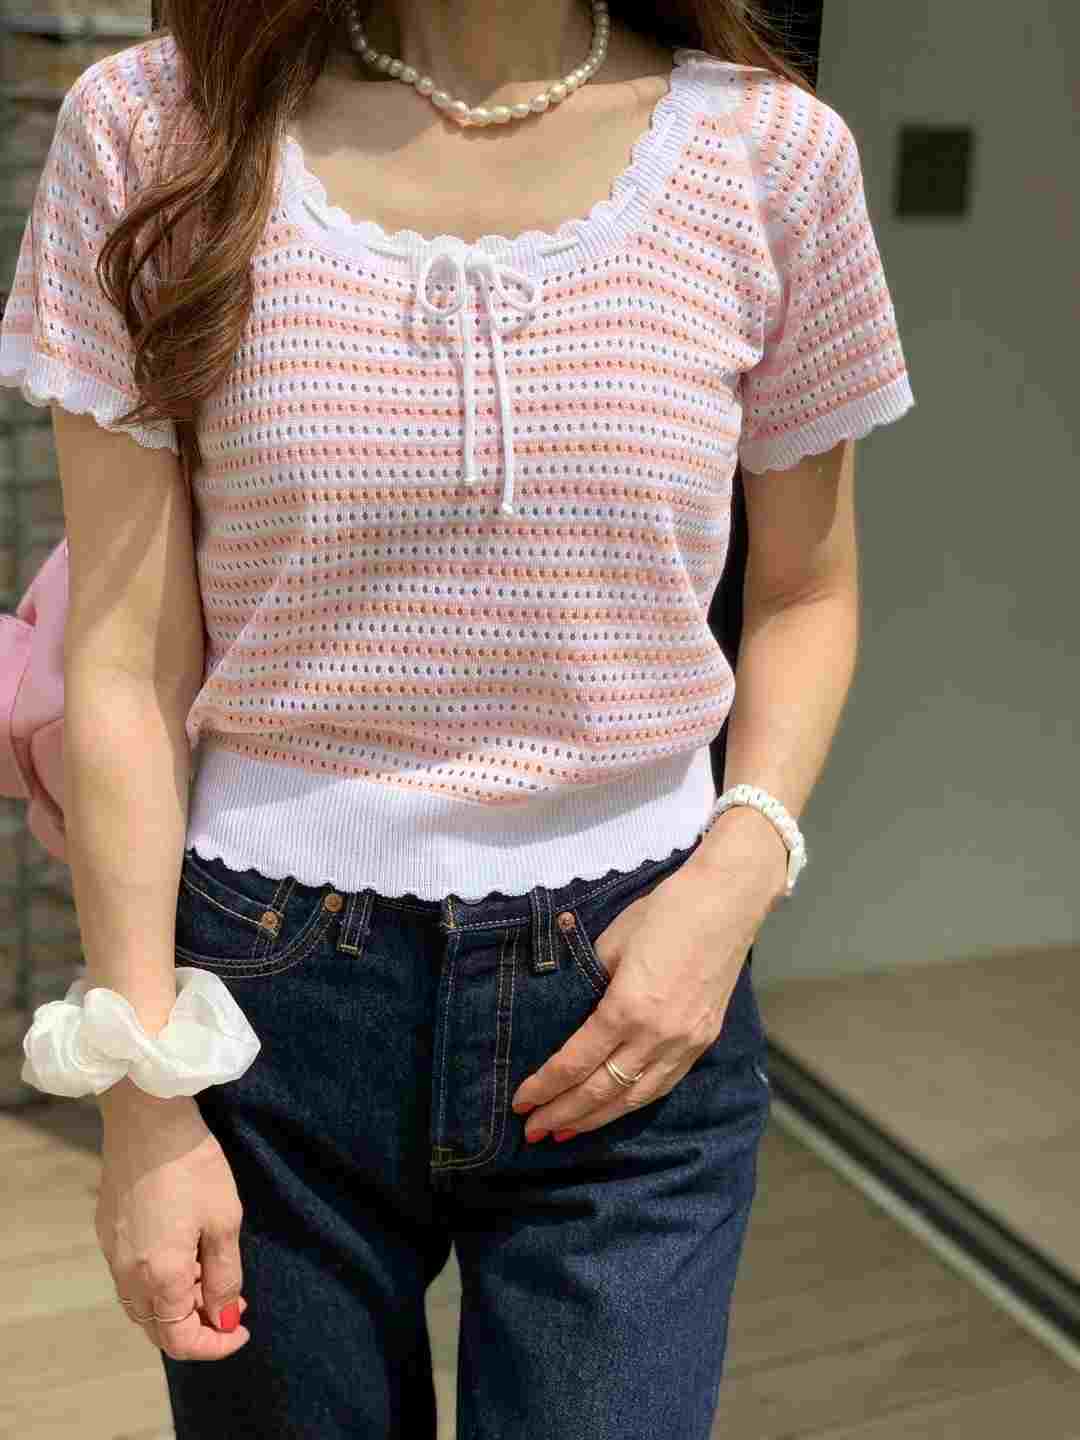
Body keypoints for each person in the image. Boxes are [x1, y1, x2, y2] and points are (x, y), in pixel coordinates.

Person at [2, 0, 915, 1434]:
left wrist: (737, 876)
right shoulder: (155, 132)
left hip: (638, 982)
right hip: (260, 1004)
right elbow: (123, 658)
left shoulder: (772, 155)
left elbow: (808, 593)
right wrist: (143, 1094)